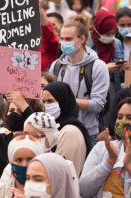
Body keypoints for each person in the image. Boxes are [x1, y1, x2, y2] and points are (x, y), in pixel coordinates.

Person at [50, 16, 110, 147]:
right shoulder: (56, 65)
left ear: (82, 39)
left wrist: (68, 99)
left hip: (87, 133)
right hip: (58, 131)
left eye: (69, 39)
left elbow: (98, 105)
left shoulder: (98, 66)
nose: (64, 43)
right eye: (62, 38)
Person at [80, 97, 131, 197]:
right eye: (120, 117)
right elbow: (83, 190)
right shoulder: (101, 148)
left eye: (130, 118)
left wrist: (129, 168)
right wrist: (109, 161)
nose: (123, 122)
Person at [43, 81, 91, 174]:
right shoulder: (55, 127)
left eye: (50, 101)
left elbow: (60, 173)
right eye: (43, 101)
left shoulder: (70, 132)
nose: (46, 106)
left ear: (63, 101)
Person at [0, 133, 44, 198]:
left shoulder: (49, 192)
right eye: (19, 160)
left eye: (30, 160)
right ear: (11, 163)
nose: (24, 165)